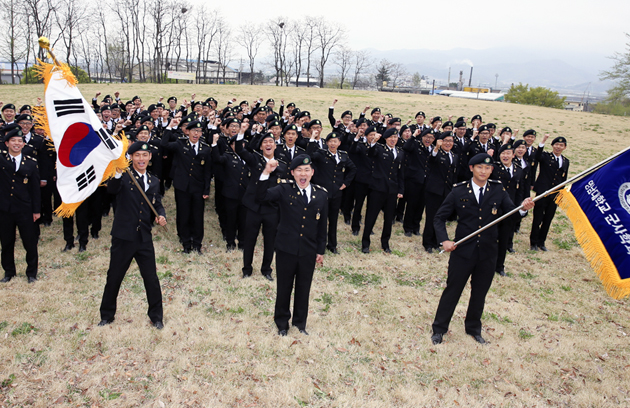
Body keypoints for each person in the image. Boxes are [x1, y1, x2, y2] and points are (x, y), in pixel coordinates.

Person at [430, 153, 535, 345]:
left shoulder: (498, 190)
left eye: (487, 168)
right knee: (453, 290)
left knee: (479, 293)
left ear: (491, 170)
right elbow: (439, 218)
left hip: (487, 252)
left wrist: (523, 208)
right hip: (463, 251)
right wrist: (444, 240)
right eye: (479, 167)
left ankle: (473, 328)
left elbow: (511, 214)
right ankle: (439, 329)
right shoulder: (459, 191)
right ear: (471, 169)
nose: (483, 171)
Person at [256, 154, 328, 336]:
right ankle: (282, 323)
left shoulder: (321, 194)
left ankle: (300, 323)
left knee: (304, 288)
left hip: (308, 250)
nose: (303, 174)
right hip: (286, 249)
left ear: (312, 172)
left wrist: (320, 250)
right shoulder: (284, 190)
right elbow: (262, 196)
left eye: (306, 170)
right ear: (292, 173)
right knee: (284, 287)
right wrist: (266, 172)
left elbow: (322, 225)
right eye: (299, 171)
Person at [98, 141, 167, 329]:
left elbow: (157, 203)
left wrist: (161, 215)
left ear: (150, 157)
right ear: (131, 157)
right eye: (137, 155)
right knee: (114, 277)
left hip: (144, 238)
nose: (141, 159)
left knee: (151, 278)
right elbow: (111, 191)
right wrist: (119, 171)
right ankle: (106, 315)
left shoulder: (153, 180)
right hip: (123, 237)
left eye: (145, 155)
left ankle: (156, 317)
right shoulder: (123, 177)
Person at [161, 118, 213, 253]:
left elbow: (207, 171)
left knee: (197, 216)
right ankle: (185, 243)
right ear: (187, 132)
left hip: (198, 187)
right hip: (182, 186)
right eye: (194, 131)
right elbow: (164, 144)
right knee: (183, 215)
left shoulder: (205, 149)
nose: (196, 134)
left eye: (199, 131)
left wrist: (206, 189)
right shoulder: (180, 144)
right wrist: (169, 127)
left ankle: (197, 244)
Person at [0, 126, 40, 283]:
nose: (16, 143)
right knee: (7, 242)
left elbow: (35, 189)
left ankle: (31, 273)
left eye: (19, 141)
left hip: (25, 209)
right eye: (13, 141)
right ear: (7, 143)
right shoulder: (1, 159)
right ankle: (9, 272)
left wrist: (36, 210)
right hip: (4, 209)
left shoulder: (31, 163)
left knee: (30, 242)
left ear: (23, 144)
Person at [307, 130, 357, 254]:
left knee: (333, 220)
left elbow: (353, 169)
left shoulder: (343, 155)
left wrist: (346, 183)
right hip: (323, 193)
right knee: (321, 220)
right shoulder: (321, 154)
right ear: (327, 143)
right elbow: (309, 156)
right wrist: (312, 139)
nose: (332, 144)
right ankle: (319, 245)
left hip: (336, 193)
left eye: (335, 141)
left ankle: (332, 245)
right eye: (330, 141)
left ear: (339, 143)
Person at [360, 128, 404, 253]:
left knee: (389, 218)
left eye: (395, 138)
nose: (393, 140)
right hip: (378, 188)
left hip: (392, 190)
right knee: (371, 216)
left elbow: (401, 173)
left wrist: (401, 189)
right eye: (391, 138)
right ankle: (365, 243)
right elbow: (370, 153)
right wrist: (374, 142)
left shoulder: (400, 152)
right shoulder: (379, 148)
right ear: (386, 138)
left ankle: (385, 243)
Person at [530, 135, 569, 251]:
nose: (558, 147)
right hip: (543, 192)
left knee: (548, 219)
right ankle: (533, 242)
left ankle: (542, 242)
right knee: (537, 218)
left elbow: (564, 178)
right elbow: (537, 156)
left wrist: (561, 194)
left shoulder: (566, 161)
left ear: (565, 147)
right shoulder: (546, 156)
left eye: (561, 145)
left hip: (555, 195)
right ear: (552, 146)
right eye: (556, 144)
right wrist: (542, 142)